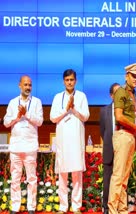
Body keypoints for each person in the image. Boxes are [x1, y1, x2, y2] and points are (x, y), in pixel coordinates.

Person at [108, 63, 136, 214]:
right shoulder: (121, 92)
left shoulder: (133, 94)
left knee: (124, 178)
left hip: (131, 135)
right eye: (133, 75)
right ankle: (113, 210)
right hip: (123, 135)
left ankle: (122, 209)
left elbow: (134, 119)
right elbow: (119, 117)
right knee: (118, 176)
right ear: (126, 76)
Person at [50, 69, 90, 214]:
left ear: (76, 81)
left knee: (76, 174)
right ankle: (62, 206)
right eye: (67, 80)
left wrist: (74, 108)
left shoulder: (81, 96)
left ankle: (76, 206)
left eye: (72, 80)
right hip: (62, 141)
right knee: (62, 174)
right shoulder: (57, 97)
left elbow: (85, 116)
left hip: (76, 140)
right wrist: (66, 109)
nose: (69, 82)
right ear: (63, 81)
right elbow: (53, 118)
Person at [4, 75, 43, 214]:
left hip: (30, 146)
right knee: (15, 178)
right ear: (19, 85)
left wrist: (26, 114)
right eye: (25, 84)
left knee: (31, 178)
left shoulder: (37, 102)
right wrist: (17, 116)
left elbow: (40, 121)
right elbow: (6, 122)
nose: (28, 87)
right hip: (15, 146)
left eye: (30, 85)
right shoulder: (12, 102)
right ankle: (15, 206)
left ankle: (31, 207)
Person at [100, 82, 120, 214]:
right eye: (117, 93)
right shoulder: (104, 111)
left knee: (121, 180)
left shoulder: (126, 110)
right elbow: (103, 131)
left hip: (122, 149)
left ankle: (119, 206)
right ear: (111, 95)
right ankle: (106, 208)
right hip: (108, 148)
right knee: (107, 180)